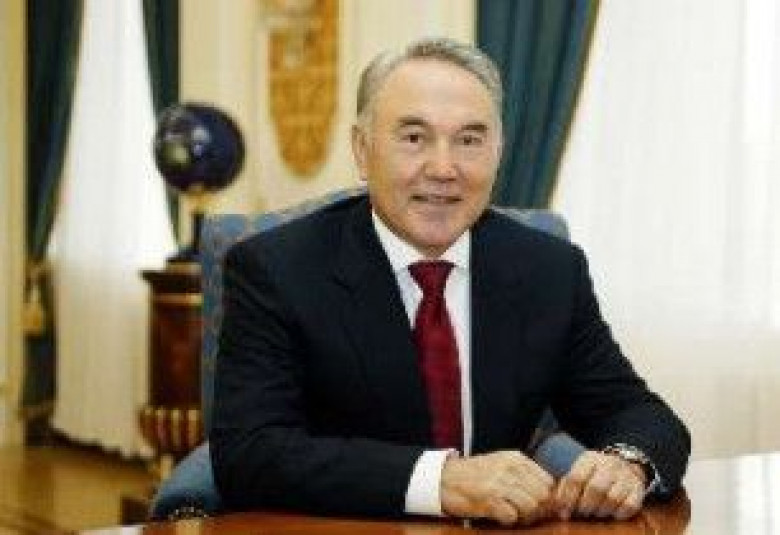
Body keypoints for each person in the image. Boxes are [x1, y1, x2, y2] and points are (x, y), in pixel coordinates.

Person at [211, 37, 690, 527]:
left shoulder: (548, 270)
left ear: (498, 152)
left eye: (469, 140)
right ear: (362, 150)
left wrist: (626, 464)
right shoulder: (277, 270)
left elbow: (639, 414)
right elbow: (250, 453)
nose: (443, 169)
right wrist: (440, 481)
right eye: (414, 138)